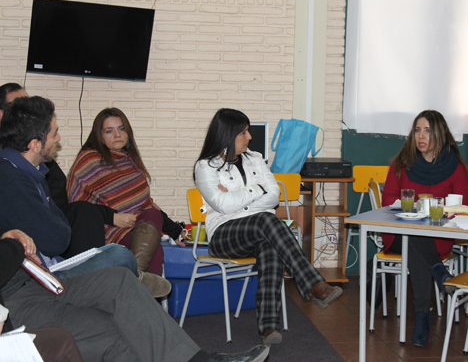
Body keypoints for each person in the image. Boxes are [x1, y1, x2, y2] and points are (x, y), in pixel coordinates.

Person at [0, 227, 269, 362]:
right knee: (112, 326)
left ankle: (196, 360)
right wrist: (11, 246)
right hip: (13, 304)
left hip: (37, 279)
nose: (57, 138)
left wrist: (9, 236)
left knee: (120, 279)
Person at [194, 108, 343, 345]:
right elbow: (222, 205)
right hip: (224, 235)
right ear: (228, 135)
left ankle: (268, 327)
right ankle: (312, 283)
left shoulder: (255, 158)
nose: (249, 137)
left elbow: (274, 196)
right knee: (267, 220)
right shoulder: (206, 167)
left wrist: (240, 198)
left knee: (271, 247)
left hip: (259, 230)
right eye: (244, 132)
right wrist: (255, 190)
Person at [0, 95, 168, 297]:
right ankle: (135, 280)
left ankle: (134, 282)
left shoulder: (32, 170)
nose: (58, 140)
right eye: (54, 135)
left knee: (137, 242)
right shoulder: (14, 180)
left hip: (56, 262)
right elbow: (58, 240)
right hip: (47, 277)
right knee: (119, 255)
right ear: (36, 145)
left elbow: (58, 221)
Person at [381, 110, 468, 347]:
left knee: (416, 241)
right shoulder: (402, 163)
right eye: (417, 130)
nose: (421, 136)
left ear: (440, 134)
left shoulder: (455, 167)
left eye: (428, 131)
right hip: (399, 233)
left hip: (438, 237)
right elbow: (388, 199)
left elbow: (465, 206)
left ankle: (423, 313)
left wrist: (436, 208)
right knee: (412, 233)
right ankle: (438, 274)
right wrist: (406, 208)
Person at [67, 108, 185, 278]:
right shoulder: (88, 161)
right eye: (109, 131)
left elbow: (146, 205)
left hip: (138, 229)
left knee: (152, 217)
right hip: (106, 232)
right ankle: (142, 284)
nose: (117, 135)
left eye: (121, 129)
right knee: (153, 247)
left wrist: (175, 231)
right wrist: (113, 217)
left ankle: (139, 280)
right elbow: (78, 209)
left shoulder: (130, 162)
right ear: (99, 136)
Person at [0, 228, 84, 362]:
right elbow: (56, 240)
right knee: (64, 342)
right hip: (18, 296)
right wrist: (14, 245)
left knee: (119, 276)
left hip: (38, 277)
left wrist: (7, 238)